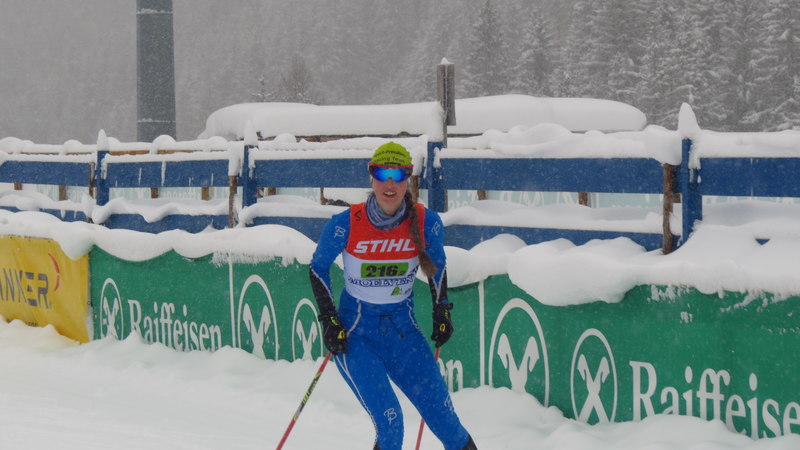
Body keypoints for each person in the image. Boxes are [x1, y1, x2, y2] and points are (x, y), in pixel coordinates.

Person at [309, 142, 477, 450]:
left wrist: (442, 310)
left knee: (447, 423)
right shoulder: (346, 223)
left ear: (408, 178)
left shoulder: (426, 222)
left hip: (403, 334)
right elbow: (318, 267)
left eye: (398, 175)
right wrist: (329, 320)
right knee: (391, 424)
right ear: (371, 177)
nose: (390, 184)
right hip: (356, 336)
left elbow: (437, 267)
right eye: (382, 174)